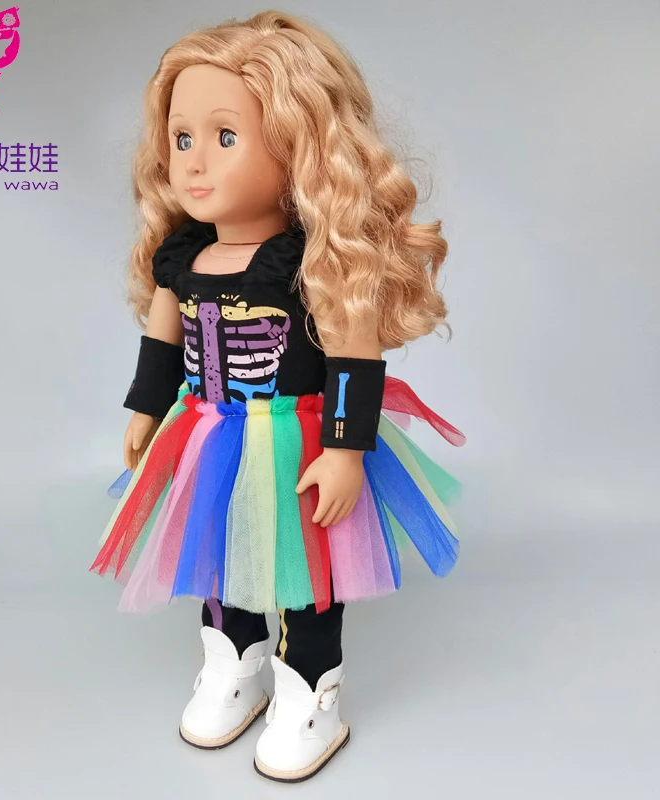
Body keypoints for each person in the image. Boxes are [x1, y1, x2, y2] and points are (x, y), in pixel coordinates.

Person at [90, 10, 466, 783]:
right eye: (182, 137)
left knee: (306, 572)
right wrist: (145, 409)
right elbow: (163, 342)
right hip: (207, 430)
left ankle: (309, 689)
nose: (194, 160)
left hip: (298, 438)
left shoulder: (313, 261)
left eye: (225, 136)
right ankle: (234, 659)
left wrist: (345, 448)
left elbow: (355, 355)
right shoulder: (183, 256)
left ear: (298, 145)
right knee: (218, 554)